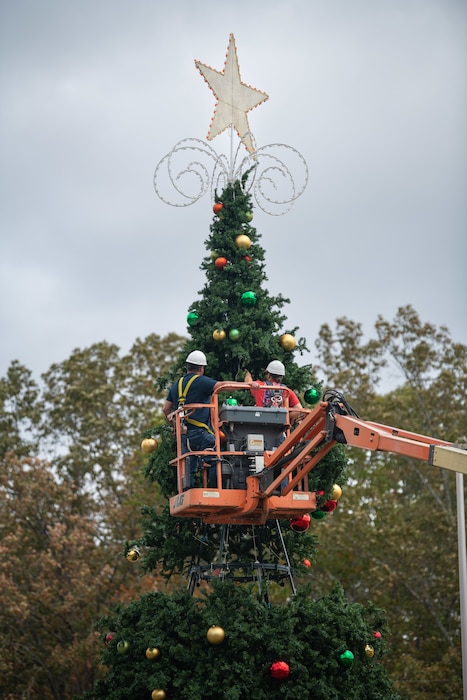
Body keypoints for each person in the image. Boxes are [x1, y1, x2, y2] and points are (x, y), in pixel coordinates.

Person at [163, 350, 225, 488]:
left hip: (184, 434)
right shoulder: (201, 381)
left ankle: (187, 492)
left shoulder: (177, 384)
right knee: (216, 457)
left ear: (188, 366)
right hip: (200, 433)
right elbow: (220, 386)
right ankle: (216, 489)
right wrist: (247, 385)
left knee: (187, 464)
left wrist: (174, 426)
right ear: (201, 368)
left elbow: (166, 409)